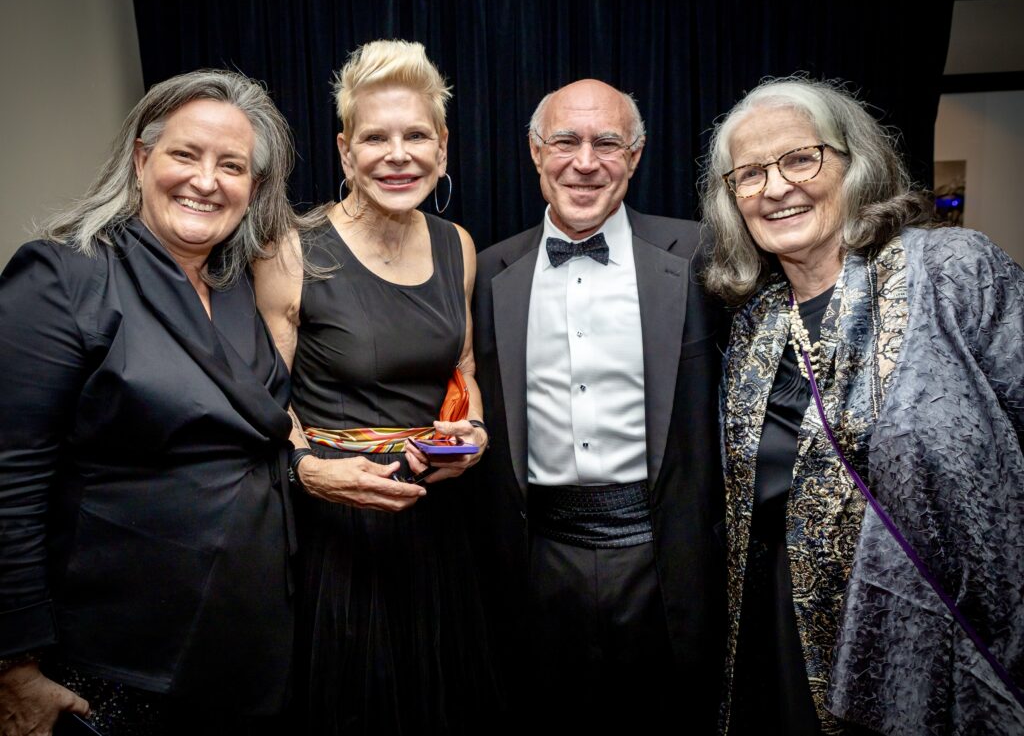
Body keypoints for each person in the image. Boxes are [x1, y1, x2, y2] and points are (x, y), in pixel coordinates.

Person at [701, 76, 1024, 735]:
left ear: (857, 164)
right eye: (750, 174)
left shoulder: (952, 271)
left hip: (938, 647)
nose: (777, 187)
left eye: (800, 158)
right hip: (787, 635)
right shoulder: (755, 322)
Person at [0, 70, 298, 735]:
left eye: (232, 165)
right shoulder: (65, 275)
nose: (206, 180)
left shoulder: (236, 288)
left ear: (252, 189)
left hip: (245, 657)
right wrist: (12, 667)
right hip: (113, 668)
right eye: (185, 154)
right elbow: (8, 480)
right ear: (142, 160)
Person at [254, 39, 497, 734]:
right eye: (376, 138)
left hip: (437, 523)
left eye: (416, 135)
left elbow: (464, 371)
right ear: (345, 151)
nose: (398, 154)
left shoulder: (459, 246)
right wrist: (313, 474)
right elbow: (266, 399)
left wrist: (472, 434)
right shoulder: (291, 248)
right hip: (338, 535)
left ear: (443, 148)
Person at [472, 78, 728, 732]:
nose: (585, 162)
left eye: (606, 142)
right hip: (538, 559)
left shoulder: (703, 255)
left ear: (636, 156)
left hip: (664, 556)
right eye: (565, 140)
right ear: (535, 151)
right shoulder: (488, 271)